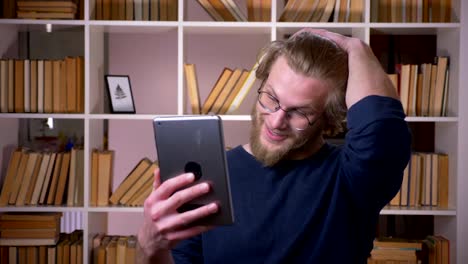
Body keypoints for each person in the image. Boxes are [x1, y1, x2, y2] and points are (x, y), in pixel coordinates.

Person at [137, 29, 411, 263]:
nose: (277, 120)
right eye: (270, 97)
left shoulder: (353, 180)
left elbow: (381, 127)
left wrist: (355, 46)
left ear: (328, 120)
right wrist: (151, 249)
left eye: (300, 112)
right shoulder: (209, 179)